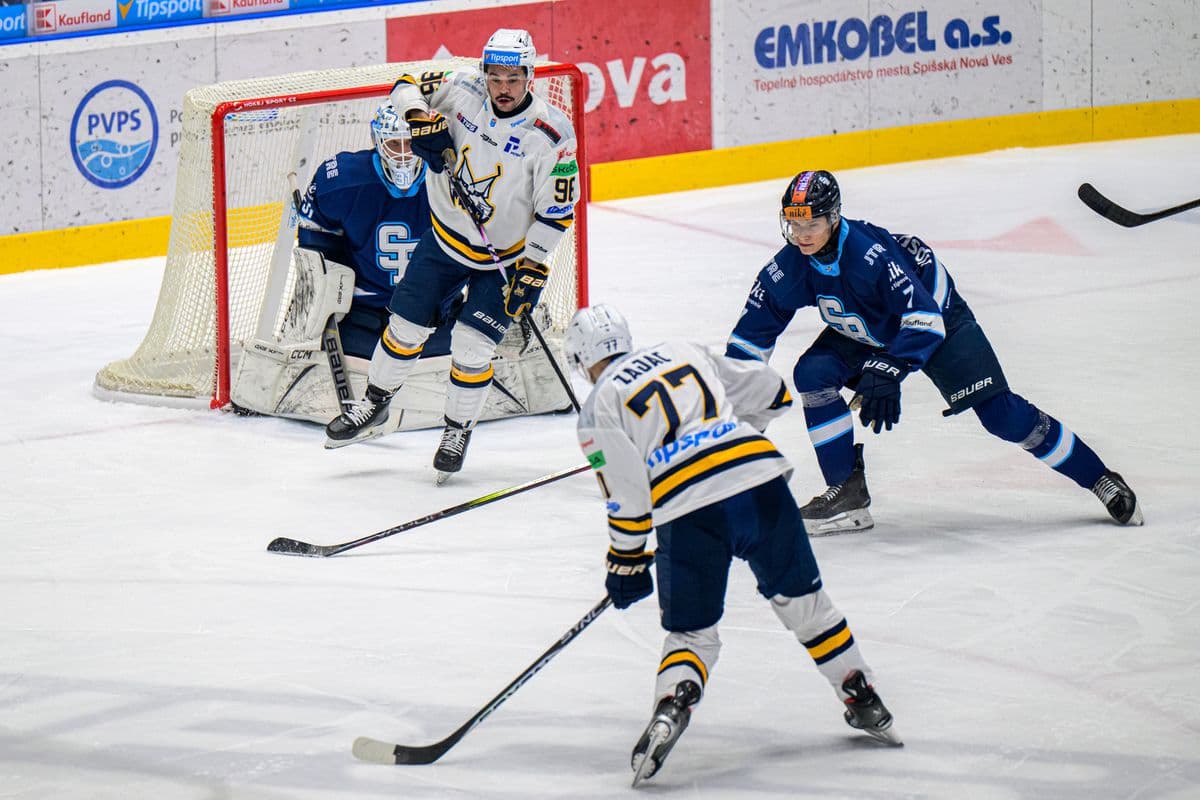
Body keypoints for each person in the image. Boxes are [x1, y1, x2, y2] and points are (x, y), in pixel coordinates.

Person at [565, 304, 901, 787]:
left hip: (686, 508)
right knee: (806, 605)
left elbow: (628, 496)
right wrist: (726, 430)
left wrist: (626, 563)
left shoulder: (597, 407)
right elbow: (774, 391)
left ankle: (672, 705)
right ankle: (861, 693)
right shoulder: (680, 349)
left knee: (693, 635)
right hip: (756, 479)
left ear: (581, 360)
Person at [726, 170, 1144, 535]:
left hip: (939, 320)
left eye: (811, 225)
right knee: (814, 373)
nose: (800, 236)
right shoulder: (790, 265)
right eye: (792, 225)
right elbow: (751, 336)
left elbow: (924, 317)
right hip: (868, 325)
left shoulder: (870, 256)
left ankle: (1100, 479)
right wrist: (737, 396)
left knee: (1002, 415)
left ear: (834, 218)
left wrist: (890, 367)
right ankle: (847, 494)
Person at [325, 27, 579, 484]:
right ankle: (375, 402)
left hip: (506, 259)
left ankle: (457, 430)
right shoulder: (460, 86)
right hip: (443, 242)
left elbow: (556, 212)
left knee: (471, 348)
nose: (503, 87)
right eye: (495, 76)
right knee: (403, 328)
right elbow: (403, 84)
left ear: (530, 77)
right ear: (485, 72)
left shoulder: (552, 134)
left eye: (513, 78)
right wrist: (421, 117)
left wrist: (534, 266)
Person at [296, 101, 441, 361]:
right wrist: (328, 295)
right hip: (363, 317)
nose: (405, 155)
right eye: (395, 144)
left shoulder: (450, 179)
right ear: (378, 141)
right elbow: (316, 247)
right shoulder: (343, 182)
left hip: (434, 316)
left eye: (411, 143)